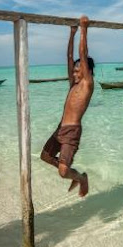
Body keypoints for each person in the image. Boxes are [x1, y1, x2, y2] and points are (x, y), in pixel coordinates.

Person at [40, 16, 94, 197]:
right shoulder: (73, 84)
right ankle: (69, 170)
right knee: (45, 156)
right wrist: (72, 33)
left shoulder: (87, 84)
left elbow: (82, 54)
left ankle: (80, 178)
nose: (75, 73)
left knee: (63, 172)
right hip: (60, 127)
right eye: (74, 71)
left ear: (87, 72)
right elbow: (70, 57)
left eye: (79, 71)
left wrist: (83, 29)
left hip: (72, 131)